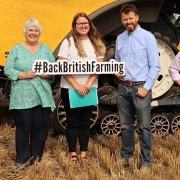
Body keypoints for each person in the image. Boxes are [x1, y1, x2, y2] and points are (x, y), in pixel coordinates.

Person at [4, 18, 56, 166]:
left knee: (40, 128)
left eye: (36, 30)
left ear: (40, 33)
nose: (33, 33)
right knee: (23, 128)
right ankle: (22, 159)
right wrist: (24, 74)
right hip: (22, 96)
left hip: (42, 96)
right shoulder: (16, 48)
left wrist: (49, 74)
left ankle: (36, 158)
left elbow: (53, 70)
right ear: (25, 32)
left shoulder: (46, 49)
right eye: (30, 30)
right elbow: (8, 69)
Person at [115, 4, 160, 168]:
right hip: (123, 87)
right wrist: (117, 72)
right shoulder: (120, 38)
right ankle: (126, 155)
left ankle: (146, 161)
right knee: (125, 126)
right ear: (122, 20)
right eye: (125, 19)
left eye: (130, 18)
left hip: (141, 87)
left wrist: (146, 87)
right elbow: (118, 63)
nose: (128, 21)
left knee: (144, 127)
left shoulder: (148, 37)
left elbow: (155, 66)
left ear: (137, 17)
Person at [58, 12, 105, 160]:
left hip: (89, 88)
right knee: (72, 122)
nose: (83, 26)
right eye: (80, 23)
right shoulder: (68, 42)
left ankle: (83, 152)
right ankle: (72, 152)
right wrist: (76, 85)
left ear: (89, 25)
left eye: (86, 23)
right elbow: (61, 65)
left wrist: (88, 84)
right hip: (70, 88)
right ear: (75, 26)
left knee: (85, 122)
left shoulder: (96, 42)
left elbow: (100, 67)